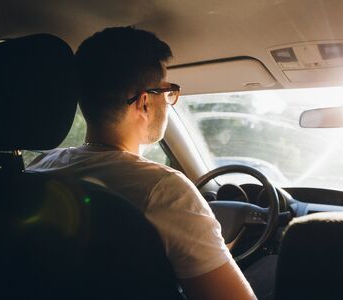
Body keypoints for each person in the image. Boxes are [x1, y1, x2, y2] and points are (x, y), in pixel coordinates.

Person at [27, 27, 256, 300]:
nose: (169, 102)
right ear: (144, 103)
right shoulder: (164, 191)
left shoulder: (37, 170)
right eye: (168, 92)